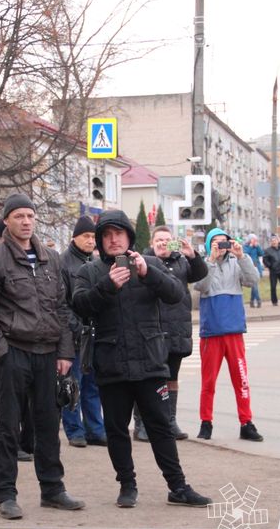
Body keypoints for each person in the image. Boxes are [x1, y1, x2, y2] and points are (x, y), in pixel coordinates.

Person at [72, 209, 212, 509]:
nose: (113, 240)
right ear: (100, 240)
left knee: (160, 427)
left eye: (118, 234)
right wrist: (108, 285)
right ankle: (127, 485)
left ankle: (178, 486)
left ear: (129, 237)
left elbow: (176, 294)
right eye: (107, 235)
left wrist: (149, 274)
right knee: (117, 428)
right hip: (111, 362)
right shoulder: (91, 271)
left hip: (150, 361)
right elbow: (80, 305)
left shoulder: (147, 263)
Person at [0, 193, 83, 520]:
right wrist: (2, 353)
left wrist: (64, 352)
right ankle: (5, 494)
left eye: (30, 216)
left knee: (48, 424)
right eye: (19, 216)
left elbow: (61, 308)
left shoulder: (51, 258)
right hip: (13, 353)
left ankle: (53, 489)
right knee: (8, 425)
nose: (26, 221)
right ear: (7, 220)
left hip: (48, 354)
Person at [132, 225, 207, 442]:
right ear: (152, 243)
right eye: (159, 240)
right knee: (149, 380)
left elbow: (200, 273)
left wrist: (192, 255)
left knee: (171, 379)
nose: (163, 244)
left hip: (176, 331)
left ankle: (169, 421)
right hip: (152, 332)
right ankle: (142, 424)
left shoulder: (180, 261)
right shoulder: (142, 262)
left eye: (167, 240)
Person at [194, 229, 263, 442]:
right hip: (211, 332)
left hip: (234, 332)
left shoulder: (237, 261)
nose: (221, 246)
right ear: (208, 245)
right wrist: (211, 261)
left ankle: (246, 423)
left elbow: (253, 280)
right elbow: (201, 286)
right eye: (215, 242)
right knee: (208, 383)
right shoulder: (204, 263)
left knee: (241, 380)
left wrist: (242, 256)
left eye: (224, 242)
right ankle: (206, 423)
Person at [59, 215, 106, 448]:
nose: (90, 241)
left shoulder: (95, 263)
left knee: (93, 385)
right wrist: (76, 327)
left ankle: (95, 429)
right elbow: (61, 302)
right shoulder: (63, 263)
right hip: (73, 334)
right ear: (74, 237)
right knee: (72, 384)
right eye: (86, 236)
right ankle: (74, 430)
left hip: (94, 332)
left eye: (93, 237)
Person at [0, 217, 34, 462]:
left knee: (30, 398)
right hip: (8, 344)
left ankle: (27, 440)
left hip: (34, 345)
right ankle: (11, 443)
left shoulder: (42, 259)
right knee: (8, 401)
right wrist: (0, 348)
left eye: (30, 216)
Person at [262, 236, 280, 306]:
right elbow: (265, 260)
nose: (273, 242)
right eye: (272, 241)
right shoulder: (268, 250)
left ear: (278, 241)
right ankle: (274, 301)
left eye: (275, 240)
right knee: (273, 286)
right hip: (273, 271)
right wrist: (270, 266)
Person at [243, 234, 265, 308]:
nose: (254, 241)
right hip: (249, 267)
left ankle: (252, 301)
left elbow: (261, 254)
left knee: (254, 285)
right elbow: (245, 254)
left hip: (256, 267)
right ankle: (258, 300)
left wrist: (257, 246)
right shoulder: (246, 246)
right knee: (254, 285)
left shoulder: (256, 247)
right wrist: (250, 246)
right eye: (253, 239)